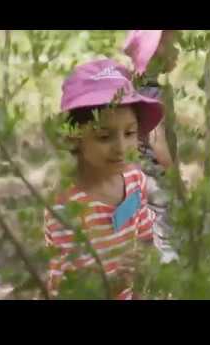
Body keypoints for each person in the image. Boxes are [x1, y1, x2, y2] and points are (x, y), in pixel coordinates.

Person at [44, 59, 164, 299]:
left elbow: (143, 237)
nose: (121, 148)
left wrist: (145, 273)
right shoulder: (66, 206)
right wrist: (115, 283)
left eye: (129, 133)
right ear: (74, 138)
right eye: (104, 136)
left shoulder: (134, 180)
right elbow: (69, 290)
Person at [124, 30, 183, 264]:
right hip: (156, 178)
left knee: (135, 226)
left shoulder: (131, 89)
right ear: (156, 51)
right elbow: (158, 142)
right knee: (166, 232)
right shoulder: (155, 95)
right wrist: (175, 177)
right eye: (173, 45)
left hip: (134, 175)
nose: (177, 51)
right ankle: (170, 272)